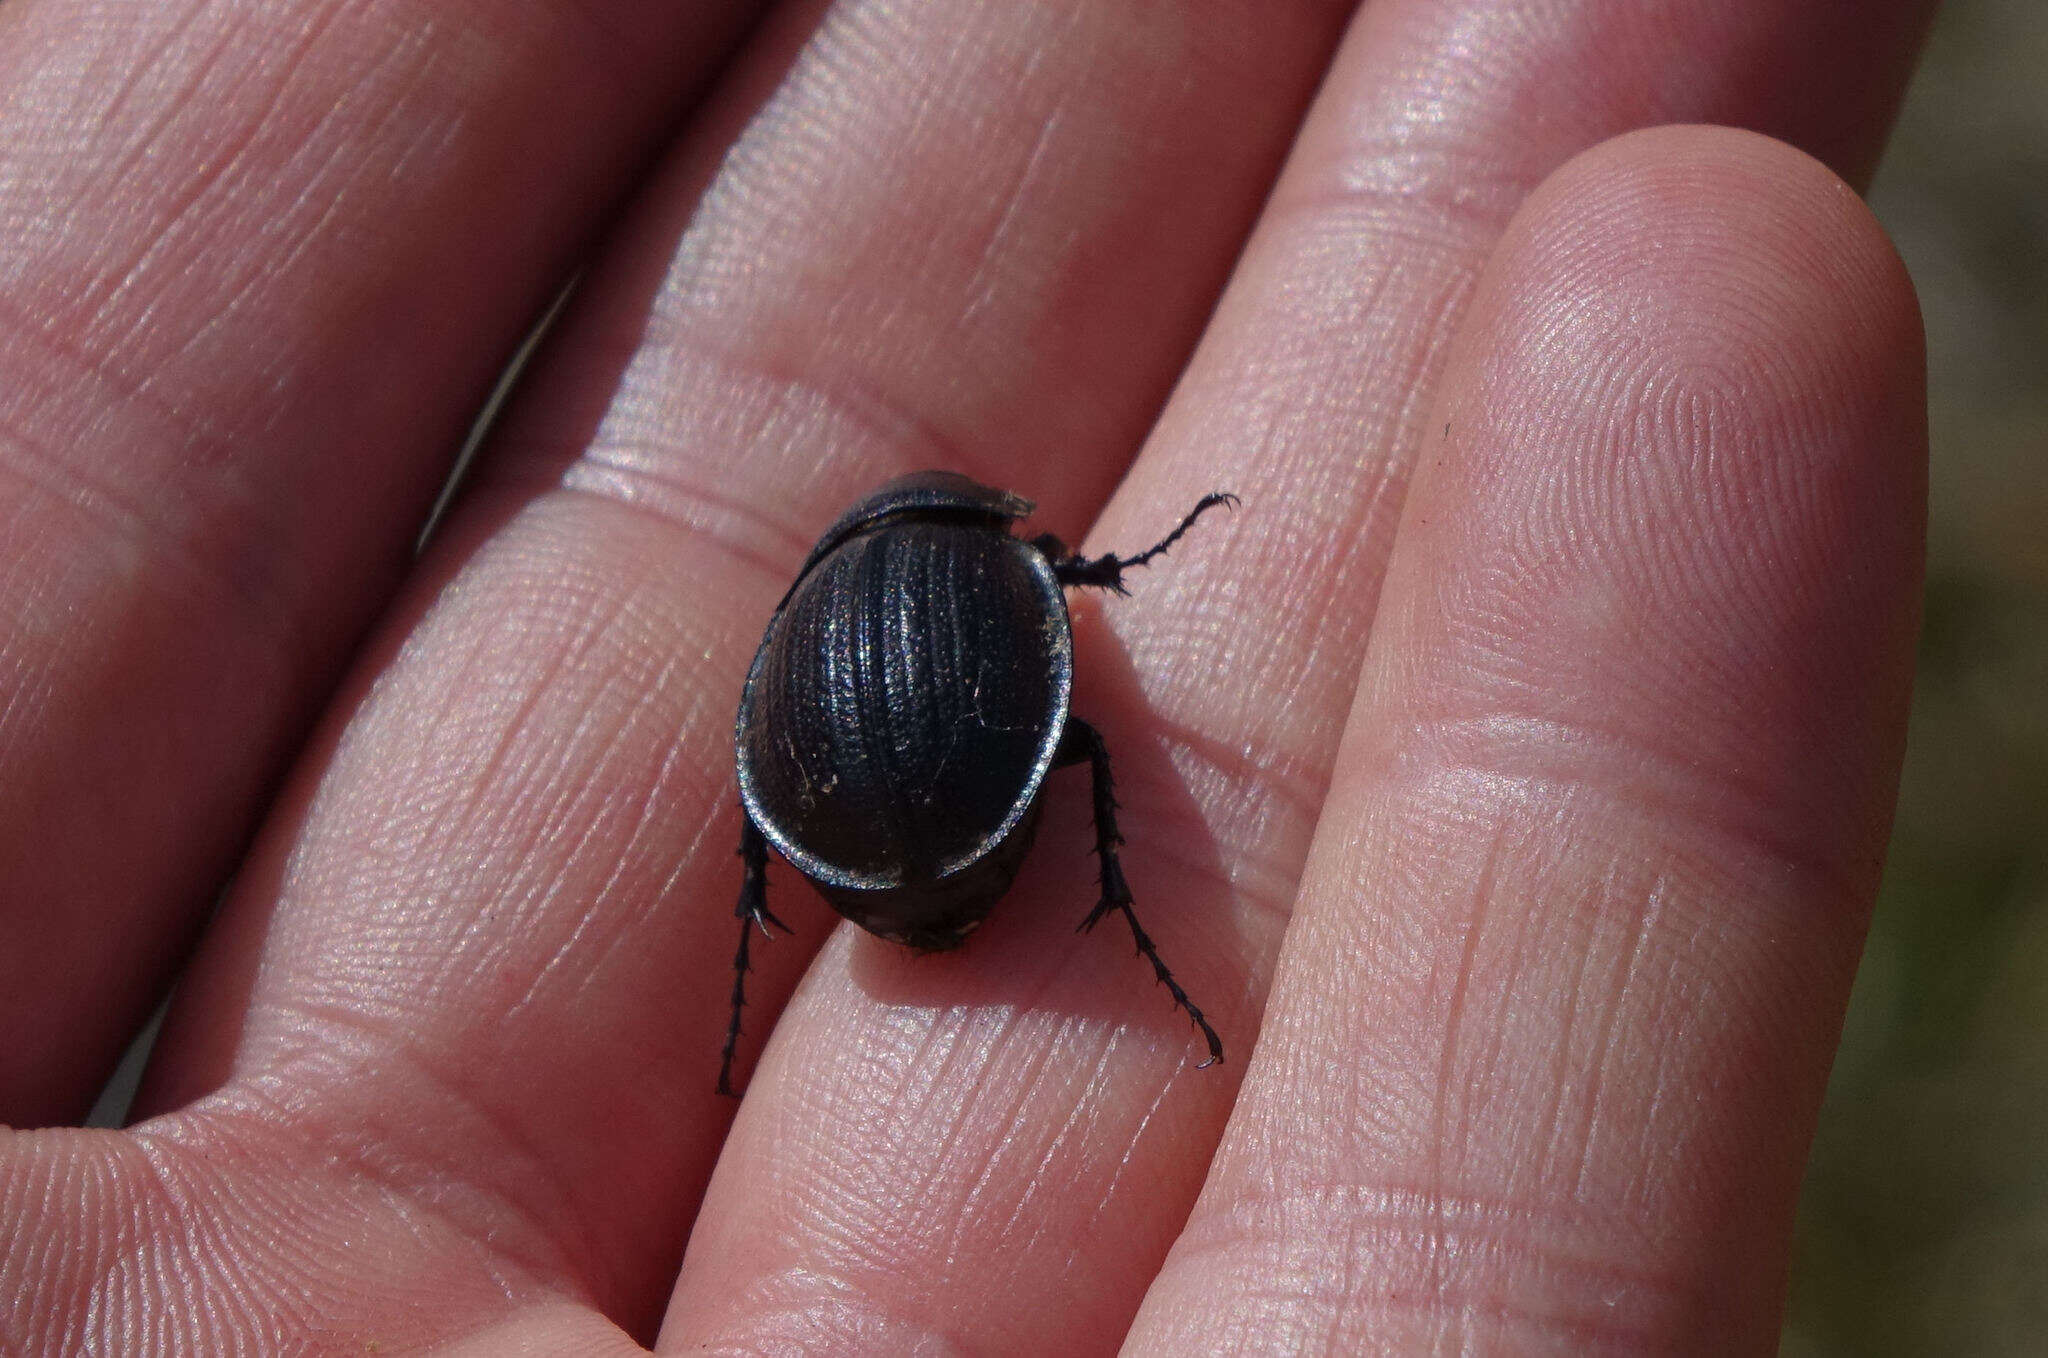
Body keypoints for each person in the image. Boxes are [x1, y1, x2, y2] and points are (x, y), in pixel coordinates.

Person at [0, 0, 1935, 1351]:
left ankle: (820, 930)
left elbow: (785, 751)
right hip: (944, 846)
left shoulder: (842, 602)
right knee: (1082, 752)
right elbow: (1075, 608)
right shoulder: (1020, 573)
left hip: (850, 863)